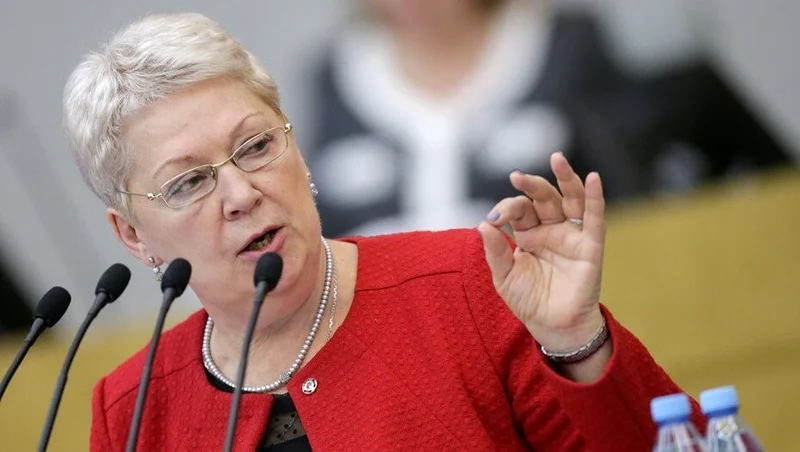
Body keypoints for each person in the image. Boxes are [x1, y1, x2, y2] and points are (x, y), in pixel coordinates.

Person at [64, 13, 703, 451]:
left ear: (298, 149)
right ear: (134, 236)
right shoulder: (131, 411)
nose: (241, 195)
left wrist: (577, 345)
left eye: (256, 147)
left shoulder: (470, 285)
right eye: (188, 183)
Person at [308, 0, 792, 237]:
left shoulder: (565, 46)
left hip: (543, 326)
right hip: (390, 343)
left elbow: (630, 194)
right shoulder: (333, 75)